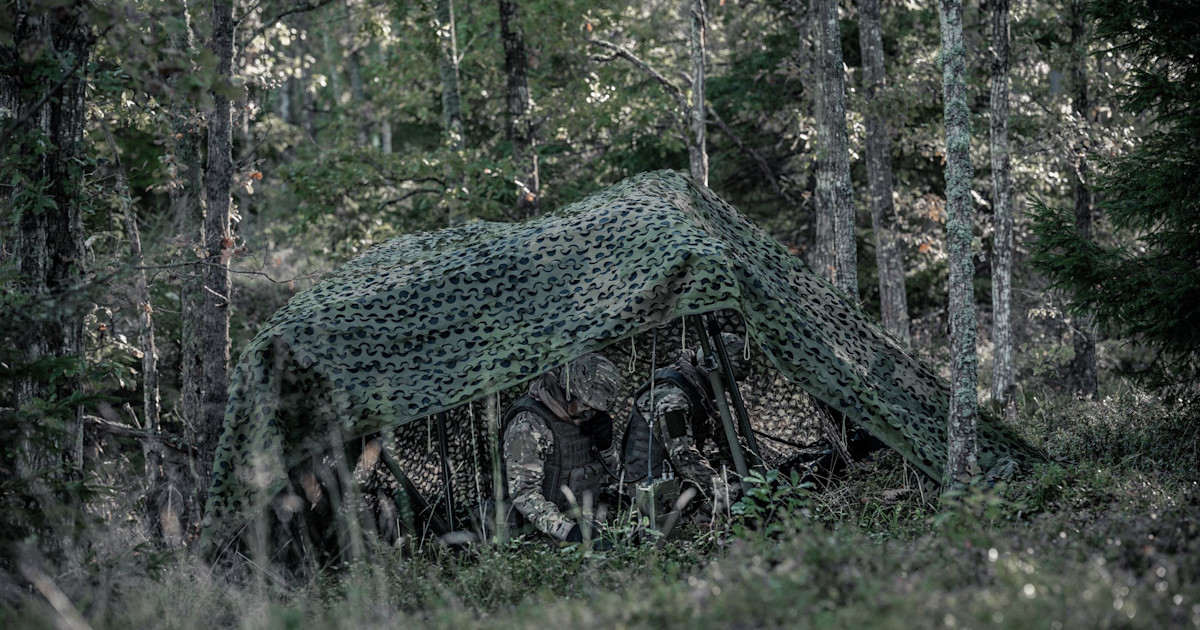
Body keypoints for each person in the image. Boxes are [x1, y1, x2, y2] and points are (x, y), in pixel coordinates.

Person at [622, 332, 747, 521]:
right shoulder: (673, 399)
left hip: (676, 472)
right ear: (710, 372)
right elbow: (683, 456)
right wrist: (726, 494)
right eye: (725, 382)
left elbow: (724, 437)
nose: (727, 388)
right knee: (707, 515)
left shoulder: (696, 386)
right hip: (651, 484)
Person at [501, 353, 621, 543]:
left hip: (584, 526)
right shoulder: (529, 425)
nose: (590, 413)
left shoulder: (585, 418)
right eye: (586, 406)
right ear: (567, 392)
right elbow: (524, 494)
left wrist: (605, 446)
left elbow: (613, 475)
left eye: (596, 409)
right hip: (535, 537)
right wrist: (570, 531)